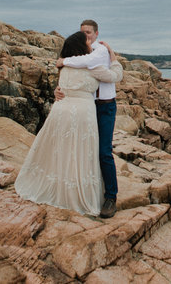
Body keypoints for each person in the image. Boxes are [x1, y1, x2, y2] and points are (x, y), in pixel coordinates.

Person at [14, 31, 122, 216]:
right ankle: (94, 194)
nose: (90, 42)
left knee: (64, 150)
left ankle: (65, 188)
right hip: (82, 113)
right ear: (82, 46)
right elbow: (115, 76)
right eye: (87, 40)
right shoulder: (91, 65)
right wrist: (113, 57)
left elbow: (66, 84)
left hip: (62, 112)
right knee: (84, 151)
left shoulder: (64, 66)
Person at [55, 19, 121, 218]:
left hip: (106, 106)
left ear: (97, 34)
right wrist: (58, 90)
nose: (87, 36)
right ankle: (86, 190)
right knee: (85, 150)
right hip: (87, 108)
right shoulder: (79, 58)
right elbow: (69, 81)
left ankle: (111, 197)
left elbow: (115, 75)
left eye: (89, 33)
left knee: (104, 152)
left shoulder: (100, 52)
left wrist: (114, 58)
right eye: (83, 33)